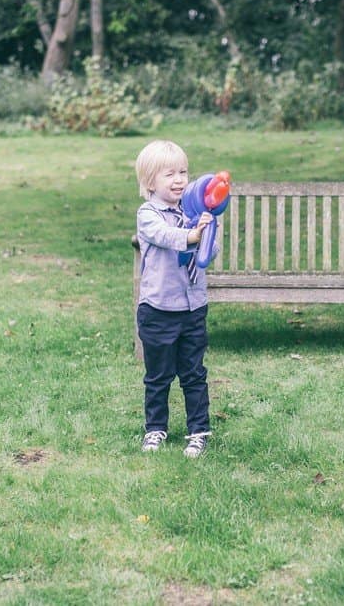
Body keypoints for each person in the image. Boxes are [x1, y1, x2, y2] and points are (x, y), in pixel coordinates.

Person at [134, 140, 218, 458]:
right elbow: (165, 236)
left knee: (194, 372)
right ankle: (156, 428)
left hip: (193, 307)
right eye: (170, 174)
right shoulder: (148, 214)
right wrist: (190, 235)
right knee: (158, 375)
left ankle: (198, 431)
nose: (180, 179)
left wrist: (208, 230)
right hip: (158, 309)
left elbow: (211, 251)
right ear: (150, 182)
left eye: (183, 172)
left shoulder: (196, 211)